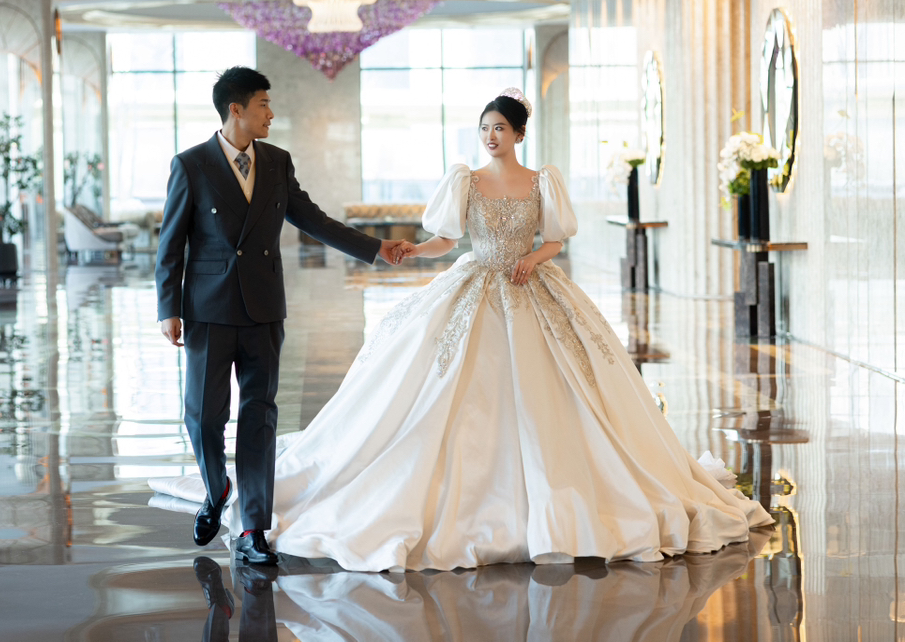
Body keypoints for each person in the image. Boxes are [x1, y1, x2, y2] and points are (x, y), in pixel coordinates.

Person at [157, 87, 773, 572]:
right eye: (484, 129)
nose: (490, 137)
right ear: (237, 108)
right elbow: (447, 240)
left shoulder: (542, 180)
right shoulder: (466, 180)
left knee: (557, 389)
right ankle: (226, 494)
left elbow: (555, 238)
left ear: (519, 133)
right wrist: (403, 250)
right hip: (468, 283)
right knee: (442, 384)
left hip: (532, 288)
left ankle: (558, 492)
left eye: (499, 128)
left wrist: (533, 258)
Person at [155, 66, 406, 567]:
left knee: (259, 416)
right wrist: (168, 308)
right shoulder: (191, 165)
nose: (271, 113)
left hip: (264, 307)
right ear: (236, 109)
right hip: (208, 309)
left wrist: (375, 248)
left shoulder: (276, 161)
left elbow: (312, 219)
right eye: (263, 104)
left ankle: (253, 528)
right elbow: (171, 243)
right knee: (203, 415)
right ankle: (216, 488)